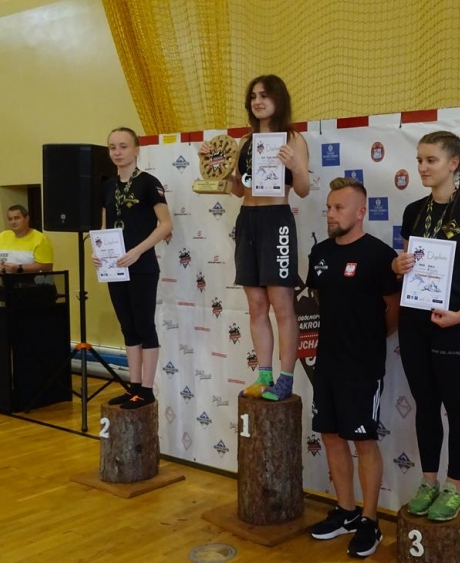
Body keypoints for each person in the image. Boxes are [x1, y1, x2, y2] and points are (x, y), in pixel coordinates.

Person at [391, 131, 460, 521]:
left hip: (455, 323)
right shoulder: (413, 211)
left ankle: (454, 487)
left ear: (453, 164)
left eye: (431, 160)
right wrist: (397, 265)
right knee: (426, 404)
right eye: (419, 160)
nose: (422, 167)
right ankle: (428, 482)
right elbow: (407, 264)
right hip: (415, 321)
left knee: (456, 404)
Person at [200, 74, 310, 401]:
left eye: (264, 95)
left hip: (276, 221)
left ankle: (286, 379)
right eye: (253, 96)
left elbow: (303, 190)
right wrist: (213, 162)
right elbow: (239, 188)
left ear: (279, 99)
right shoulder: (245, 142)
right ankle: (264, 376)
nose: (258, 101)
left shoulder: (293, 138)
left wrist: (296, 166)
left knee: (282, 305)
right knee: (256, 305)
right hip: (247, 219)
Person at [307, 178, 399, 558]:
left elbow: (393, 309)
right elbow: (319, 300)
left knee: (364, 441)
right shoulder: (319, 252)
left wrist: (372, 339)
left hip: (362, 365)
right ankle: (345, 510)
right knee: (331, 435)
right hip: (326, 360)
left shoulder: (379, 255)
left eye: (339, 208)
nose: (330, 214)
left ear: (361, 212)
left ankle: (369, 520)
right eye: (329, 207)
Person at [93, 126, 173, 410]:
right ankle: (134, 386)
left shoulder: (149, 183)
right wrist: (98, 252)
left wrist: (138, 251)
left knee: (144, 325)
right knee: (127, 326)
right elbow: (105, 226)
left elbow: (166, 225)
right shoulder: (107, 186)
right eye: (112, 147)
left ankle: (147, 390)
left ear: (137, 149)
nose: (117, 152)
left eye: (123, 146)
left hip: (142, 266)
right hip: (115, 267)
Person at [0, 205, 54, 274]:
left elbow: (47, 266)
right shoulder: (3, 236)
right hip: (7, 280)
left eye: (17, 218)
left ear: (26, 219)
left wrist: (20, 268)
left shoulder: (40, 238)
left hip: (32, 281)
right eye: (10, 219)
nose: (13, 222)